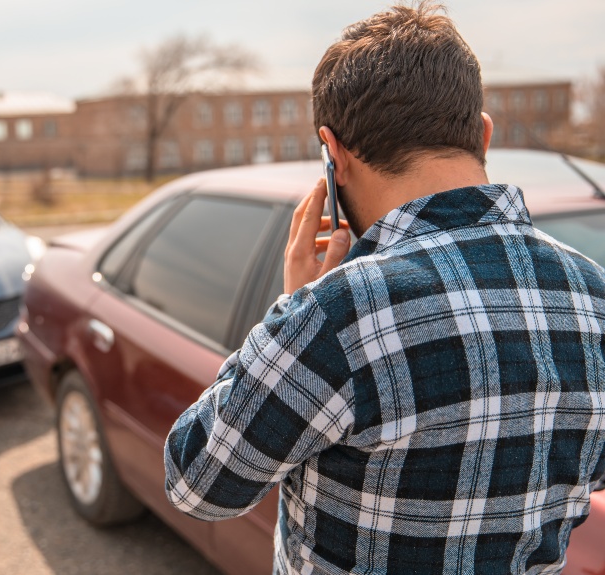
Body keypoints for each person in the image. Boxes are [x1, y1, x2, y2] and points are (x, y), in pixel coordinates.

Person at [164, 3, 605, 573]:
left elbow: (197, 481)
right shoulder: (594, 296)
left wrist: (291, 308)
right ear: (484, 134)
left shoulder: (337, 314)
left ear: (333, 153)